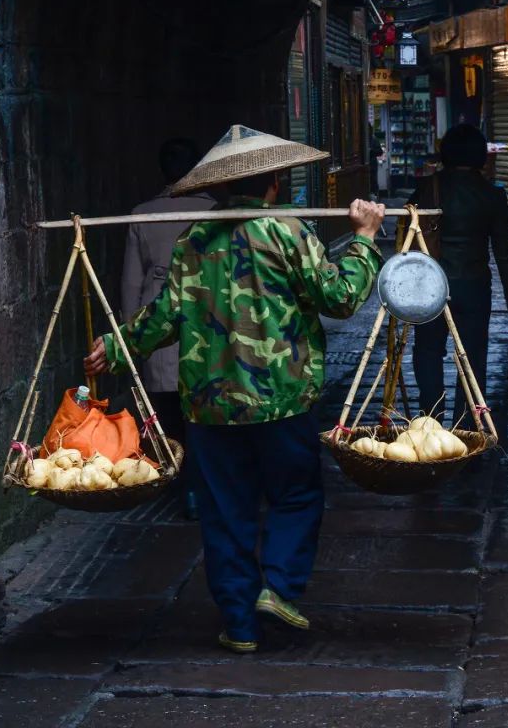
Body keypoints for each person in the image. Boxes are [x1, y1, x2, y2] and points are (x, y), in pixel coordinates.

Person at [85, 126, 385, 654]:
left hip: (210, 407)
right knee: (296, 496)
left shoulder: (194, 239)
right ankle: (281, 588)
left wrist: (114, 346)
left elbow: (164, 316)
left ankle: (240, 624)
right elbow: (339, 297)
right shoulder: (289, 232)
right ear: (273, 182)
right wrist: (363, 239)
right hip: (283, 399)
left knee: (226, 512)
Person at [121, 137, 213, 519]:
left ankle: (178, 484)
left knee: (169, 409)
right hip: (204, 313)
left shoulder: (143, 214)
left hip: (157, 312)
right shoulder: (214, 212)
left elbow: (130, 282)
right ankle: (199, 486)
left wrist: (131, 336)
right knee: (203, 411)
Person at [411, 124, 508, 427]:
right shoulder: (492, 195)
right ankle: (467, 426)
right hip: (474, 285)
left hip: (431, 284)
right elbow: (503, 249)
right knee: (472, 357)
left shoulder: (427, 187)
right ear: (480, 156)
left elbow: (406, 240)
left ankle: (431, 420)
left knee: (429, 351)